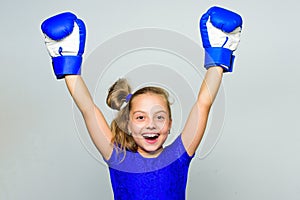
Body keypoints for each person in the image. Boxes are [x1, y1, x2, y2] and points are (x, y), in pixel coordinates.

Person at [41, 6, 242, 200]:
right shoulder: (118, 158)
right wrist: (67, 62)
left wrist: (218, 57)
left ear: (170, 123)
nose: (151, 124)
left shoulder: (179, 155)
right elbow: (88, 109)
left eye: (160, 117)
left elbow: (203, 104)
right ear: (127, 124)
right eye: (140, 117)